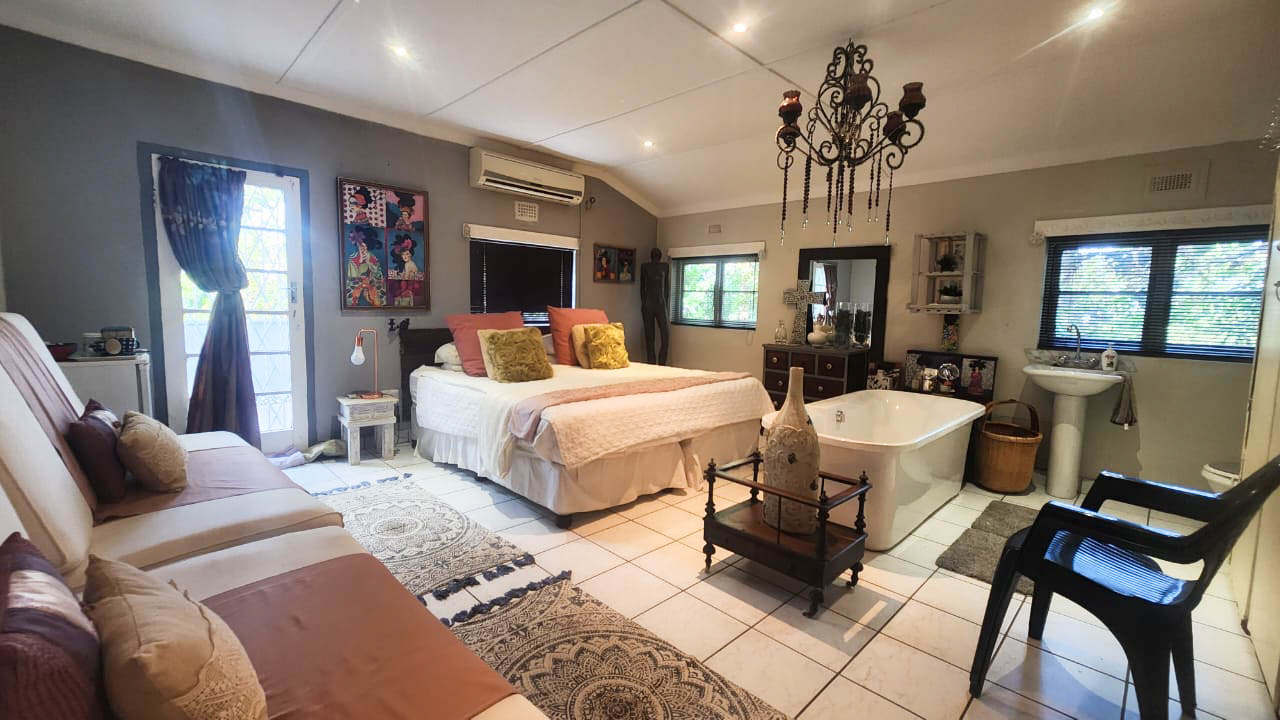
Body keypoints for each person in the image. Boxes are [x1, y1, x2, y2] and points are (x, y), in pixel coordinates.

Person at [639, 248, 671, 365]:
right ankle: (651, 364)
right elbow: (642, 287)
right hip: (648, 305)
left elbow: (666, 287)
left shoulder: (665, 266)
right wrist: (643, 303)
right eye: (654, 254)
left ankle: (662, 363)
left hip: (661, 304)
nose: (656, 256)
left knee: (665, 336)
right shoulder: (645, 267)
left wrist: (665, 304)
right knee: (649, 338)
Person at [346, 226, 384, 307]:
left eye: (364, 247)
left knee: (378, 297)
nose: (362, 249)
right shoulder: (352, 258)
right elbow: (351, 277)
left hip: (372, 284)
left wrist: (369, 262)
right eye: (360, 247)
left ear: (367, 247)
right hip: (357, 285)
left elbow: (379, 275)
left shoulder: (373, 258)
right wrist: (360, 262)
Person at [389, 233, 422, 307]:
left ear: (410, 255)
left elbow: (407, 276)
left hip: (410, 283)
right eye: (403, 255)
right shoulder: (406, 264)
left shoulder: (409, 264)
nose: (405, 256)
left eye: (407, 254)